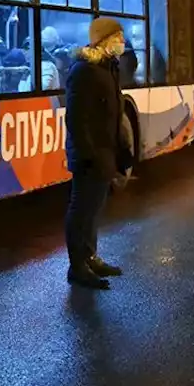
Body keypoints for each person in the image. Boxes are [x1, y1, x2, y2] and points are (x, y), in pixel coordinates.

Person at [63, 16, 130, 289]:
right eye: (119, 38)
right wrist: (90, 154)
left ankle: (90, 256)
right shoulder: (84, 71)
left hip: (104, 153)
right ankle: (77, 266)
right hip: (90, 156)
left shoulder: (108, 68)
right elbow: (77, 120)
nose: (123, 43)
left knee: (94, 210)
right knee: (82, 210)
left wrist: (119, 149)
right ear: (105, 40)